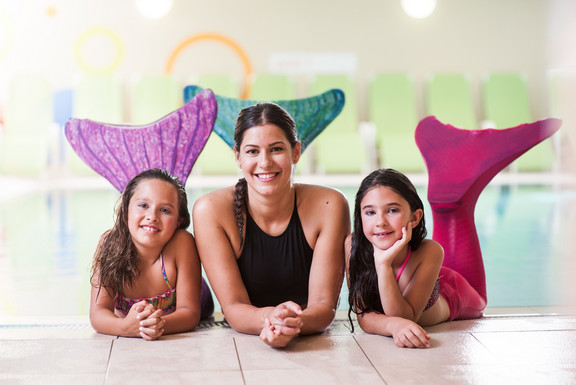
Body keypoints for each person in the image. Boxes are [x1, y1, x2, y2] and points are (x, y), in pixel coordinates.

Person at [346, 116, 561, 348]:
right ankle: (453, 176)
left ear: (415, 217)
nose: (380, 222)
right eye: (369, 212)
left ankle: (467, 159)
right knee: (450, 207)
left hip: (456, 293)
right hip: (431, 277)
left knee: (480, 302)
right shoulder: (353, 245)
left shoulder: (430, 251)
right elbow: (365, 316)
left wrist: (383, 265)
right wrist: (392, 326)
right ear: (359, 215)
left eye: (392, 210)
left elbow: (406, 318)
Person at [193, 102, 350, 348]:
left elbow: (324, 306)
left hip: (307, 338)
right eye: (253, 151)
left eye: (276, 149)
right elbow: (233, 308)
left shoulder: (330, 206)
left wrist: (290, 324)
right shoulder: (211, 211)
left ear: (296, 152)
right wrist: (273, 320)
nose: (265, 163)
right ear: (238, 157)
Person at [90, 168, 213, 340]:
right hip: (135, 318)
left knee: (205, 307)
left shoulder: (182, 243)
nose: (152, 216)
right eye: (143, 206)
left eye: (165, 210)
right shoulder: (109, 245)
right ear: (125, 210)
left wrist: (154, 325)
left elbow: (189, 313)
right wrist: (125, 327)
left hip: (193, 292)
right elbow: (98, 313)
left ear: (179, 221)